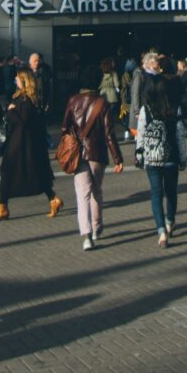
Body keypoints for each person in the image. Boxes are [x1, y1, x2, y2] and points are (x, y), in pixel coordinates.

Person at [61, 75, 124, 251]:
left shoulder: (73, 101)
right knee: (96, 191)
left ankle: (87, 235)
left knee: (83, 195)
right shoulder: (102, 103)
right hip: (97, 153)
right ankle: (97, 227)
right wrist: (117, 158)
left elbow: (65, 127)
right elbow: (109, 134)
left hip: (78, 154)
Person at [0, 71, 57, 223]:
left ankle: (3, 208)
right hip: (20, 143)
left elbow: (23, 121)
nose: (15, 80)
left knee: (8, 172)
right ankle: (52, 198)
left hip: (20, 144)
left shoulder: (26, 100)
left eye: (18, 78)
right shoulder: (22, 98)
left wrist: (10, 111)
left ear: (24, 81)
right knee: (29, 173)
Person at [132, 54, 184, 246]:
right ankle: (170, 220)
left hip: (152, 155)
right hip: (170, 154)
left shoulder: (146, 110)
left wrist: (139, 153)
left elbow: (141, 133)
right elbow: (179, 135)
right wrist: (183, 158)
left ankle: (161, 230)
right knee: (171, 192)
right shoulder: (174, 108)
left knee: (156, 193)